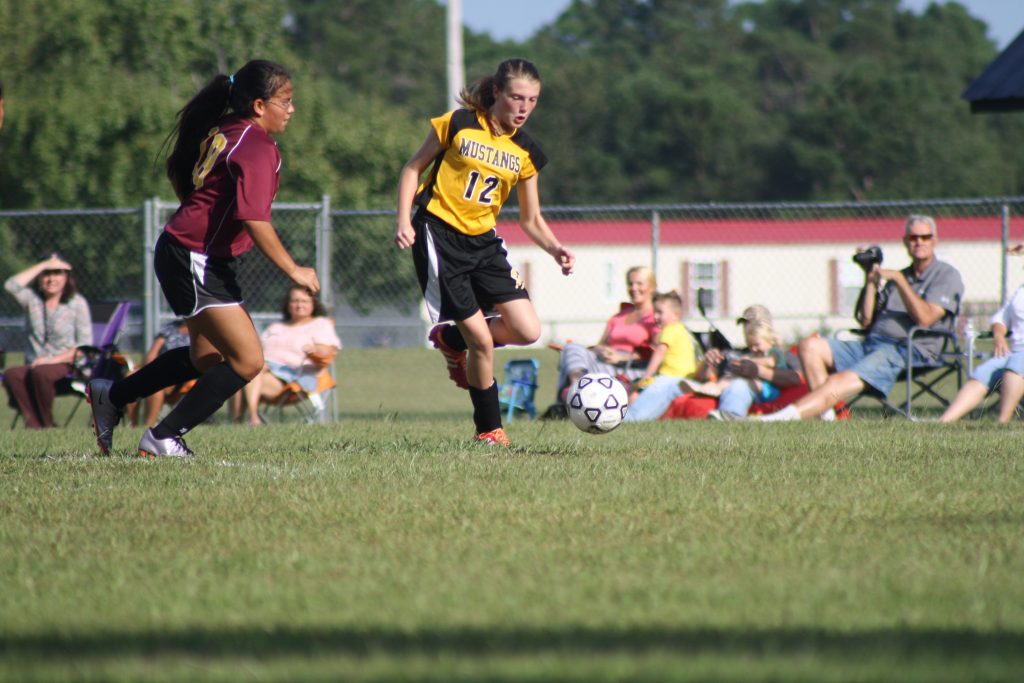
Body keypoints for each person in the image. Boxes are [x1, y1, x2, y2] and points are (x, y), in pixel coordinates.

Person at [88, 59, 320, 457]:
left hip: (189, 252)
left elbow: (180, 170)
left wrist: (193, 213)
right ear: (260, 106)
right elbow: (254, 220)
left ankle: (114, 394)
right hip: (195, 257)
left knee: (206, 356)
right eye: (286, 100)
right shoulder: (258, 146)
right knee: (248, 362)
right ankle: (162, 437)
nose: (292, 109)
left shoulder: (227, 129)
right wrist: (293, 270)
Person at [394, 58, 575, 447]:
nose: (524, 107)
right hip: (439, 235)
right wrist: (403, 221)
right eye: (516, 97)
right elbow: (413, 169)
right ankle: (489, 430)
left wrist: (555, 248)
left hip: (484, 243)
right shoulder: (459, 123)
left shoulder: (527, 152)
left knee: (527, 330)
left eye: (532, 100)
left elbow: (531, 219)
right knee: (482, 340)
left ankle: (452, 341)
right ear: (496, 92)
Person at [761, 215, 963, 421]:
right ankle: (828, 417)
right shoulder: (897, 277)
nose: (919, 242)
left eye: (925, 237)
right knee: (809, 346)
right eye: (913, 237)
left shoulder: (945, 275)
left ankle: (782, 417)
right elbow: (866, 321)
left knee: (839, 380)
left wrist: (900, 281)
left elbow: (925, 320)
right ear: (905, 242)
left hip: (908, 350)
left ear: (935, 240)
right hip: (871, 345)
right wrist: (870, 277)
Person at [2, 254, 91, 429]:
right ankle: (34, 425)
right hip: (35, 364)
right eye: (46, 273)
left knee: (41, 372)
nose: (51, 278)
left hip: (67, 363)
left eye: (57, 272)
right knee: (12, 374)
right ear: (40, 277)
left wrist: (50, 361)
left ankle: (46, 424)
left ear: (66, 277)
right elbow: (10, 285)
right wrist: (43, 264)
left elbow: (84, 347)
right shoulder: (32, 300)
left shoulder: (77, 303)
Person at [553, 266, 660, 407]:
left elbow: (656, 351)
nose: (633, 288)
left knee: (570, 360)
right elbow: (599, 344)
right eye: (630, 283)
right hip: (605, 361)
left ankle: (571, 397)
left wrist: (622, 357)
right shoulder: (619, 316)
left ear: (652, 286)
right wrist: (601, 351)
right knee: (571, 347)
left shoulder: (656, 316)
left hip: (631, 367)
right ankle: (577, 386)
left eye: (639, 284)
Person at [940, 246, 1024, 423]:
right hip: (1015, 352)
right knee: (983, 373)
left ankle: (1002, 421)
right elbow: (1000, 318)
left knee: (1017, 364)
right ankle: (944, 422)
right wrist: (999, 336)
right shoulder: (1020, 291)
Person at [242, 286, 340, 425]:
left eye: (304, 301)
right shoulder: (276, 327)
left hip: (293, 378)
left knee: (249, 373)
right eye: (295, 301)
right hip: (264, 372)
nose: (299, 305)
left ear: (313, 304)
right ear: (288, 304)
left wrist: (314, 350)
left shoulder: (320, 324)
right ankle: (240, 421)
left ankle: (251, 418)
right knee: (241, 373)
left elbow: (328, 352)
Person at [622, 291, 697, 422]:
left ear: (675, 315)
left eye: (660, 312)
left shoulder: (670, 329)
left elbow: (660, 353)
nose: (655, 316)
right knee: (638, 390)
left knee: (643, 393)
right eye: (654, 312)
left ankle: (629, 419)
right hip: (685, 378)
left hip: (670, 378)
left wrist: (647, 375)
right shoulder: (681, 329)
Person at [125, 319, 190, 427]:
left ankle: (149, 425)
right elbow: (152, 353)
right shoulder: (171, 328)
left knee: (157, 383)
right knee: (130, 376)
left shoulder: (201, 329)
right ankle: (132, 424)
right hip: (159, 366)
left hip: (181, 373)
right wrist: (148, 370)